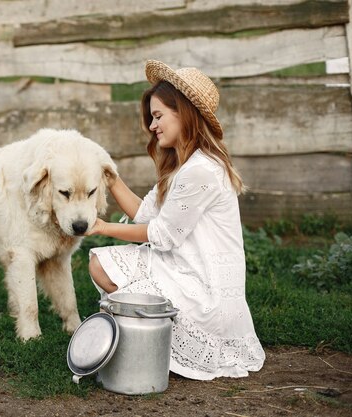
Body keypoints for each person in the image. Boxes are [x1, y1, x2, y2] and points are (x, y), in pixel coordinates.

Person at [85, 60, 265, 380]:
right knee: (103, 266)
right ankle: (148, 334)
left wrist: (101, 227)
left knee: (109, 271)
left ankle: (160, 338)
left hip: (205, 286)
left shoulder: (200, 170)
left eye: (158, 116)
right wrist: (109, 176)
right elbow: (144, 215)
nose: (153, 126)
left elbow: (162, 235)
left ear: (183, 113)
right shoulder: (183, 166)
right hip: (182, 266)